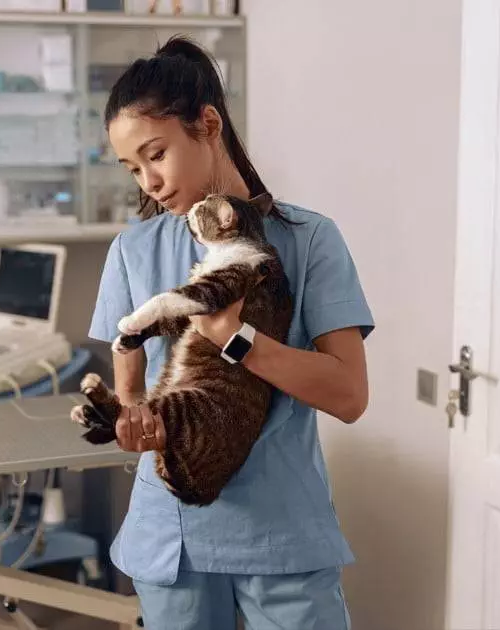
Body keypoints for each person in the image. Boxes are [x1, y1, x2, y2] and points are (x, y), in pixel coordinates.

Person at [89, 36, 374, 629]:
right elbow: (132, 390)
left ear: (207, 124)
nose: (149, 182)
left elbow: (349, 396)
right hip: (173, 538)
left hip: (281, 535)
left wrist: (235, 336)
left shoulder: (309, 241)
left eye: (157, 154)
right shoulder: (133, 250)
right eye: (133, 169)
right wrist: (130, 420)